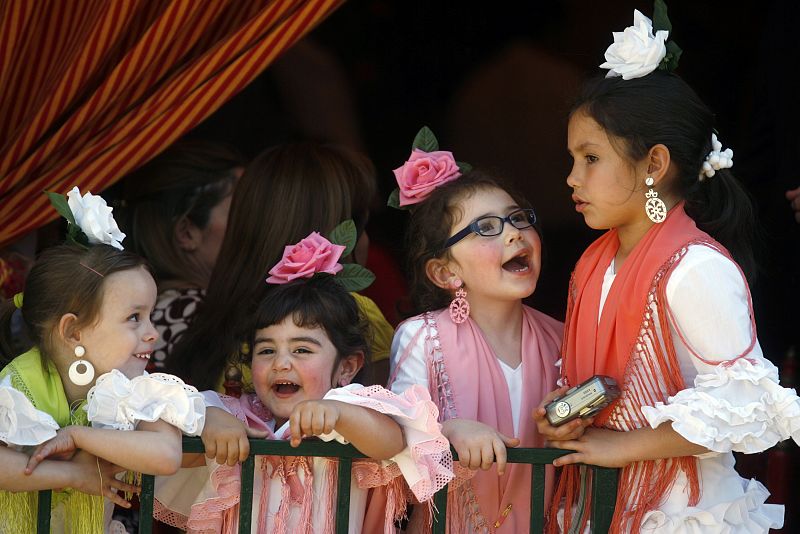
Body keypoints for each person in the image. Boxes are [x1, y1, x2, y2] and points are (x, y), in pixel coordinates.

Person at [534, 9, 800, 533]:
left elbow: (748, 403)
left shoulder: (696, 267)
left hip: (682, 512)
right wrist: (566, 413)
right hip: (602, 507)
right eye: (572, 158)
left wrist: (624, 446)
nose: (571, 177)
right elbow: (605, 386)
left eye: (590, 158)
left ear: (653, 164)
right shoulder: (594, 264)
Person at [153, 234, 452, 533]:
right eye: (267, 350)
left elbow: (391, 442)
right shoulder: (236, 416)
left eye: (302, 350)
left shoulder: (350, 408)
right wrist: (209, 423)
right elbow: (171, 445)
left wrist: (339, 414)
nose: (281, 363)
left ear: (347, 367)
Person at [0, 187, 206, 533]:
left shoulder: (132, 392)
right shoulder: (18, 386)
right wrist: (73, 475)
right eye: (134, 318)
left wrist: (79, 437)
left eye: (151, 316)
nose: (152, 332)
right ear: (74, 332)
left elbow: (165, 454)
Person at [388, 129, 563, 532]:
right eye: (486, 227)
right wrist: (449, 429)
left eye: (518, 218)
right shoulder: (422, 337)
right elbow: (393, 427)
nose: (514, 232)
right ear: (446, 271)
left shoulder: (561, 338)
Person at [165, 142, 394, 393]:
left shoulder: (216, 318)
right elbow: (380, 408)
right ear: (338, 235)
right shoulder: (356, 315)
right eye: (360, 227)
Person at [118, 140, 243, 370]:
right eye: (239, 211)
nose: (252, 221)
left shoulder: (164, 304)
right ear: (187, 233)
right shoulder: (194, 314)